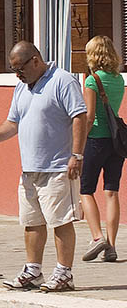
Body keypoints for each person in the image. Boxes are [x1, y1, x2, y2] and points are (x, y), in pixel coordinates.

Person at [0, 41, 89, 292]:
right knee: (31, 222)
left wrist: (77, 155)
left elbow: (80, 116)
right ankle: (33, 270)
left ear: (35, 61)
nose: (17, 74)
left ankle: (64, 273)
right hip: (30, 169)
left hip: (59, 166)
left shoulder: (63, 80)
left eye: (20, 68)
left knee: (60, 221)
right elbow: (12, 123)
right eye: (14, 70)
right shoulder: (21, 88)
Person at [80, 35, 124, 263]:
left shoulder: (92, 81)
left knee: (86, 189)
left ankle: (97, 237)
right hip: (116, 143)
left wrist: (78, 145)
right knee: (111, 192)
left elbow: (89, 117)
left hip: (97, 138)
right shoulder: (118, 80)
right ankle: (112, 246)